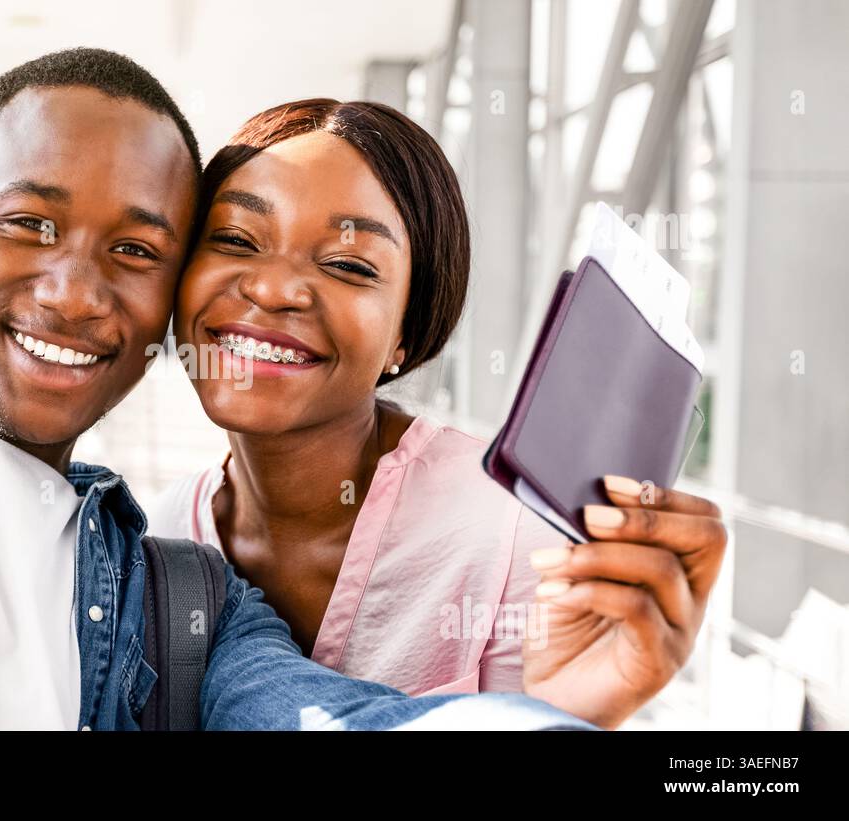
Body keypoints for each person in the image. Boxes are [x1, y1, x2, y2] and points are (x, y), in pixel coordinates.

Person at [0, 49, 715, 731]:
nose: (71, 292)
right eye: (30, 225)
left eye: (135, 251)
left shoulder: (172, 599)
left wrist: (564, 710)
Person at [147, 98, 727, 720]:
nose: (272, 288)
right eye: (235, 239)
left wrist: (574, 714)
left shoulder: (518, 534)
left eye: (347, 264)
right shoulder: (170, 532)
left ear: (405, 332)